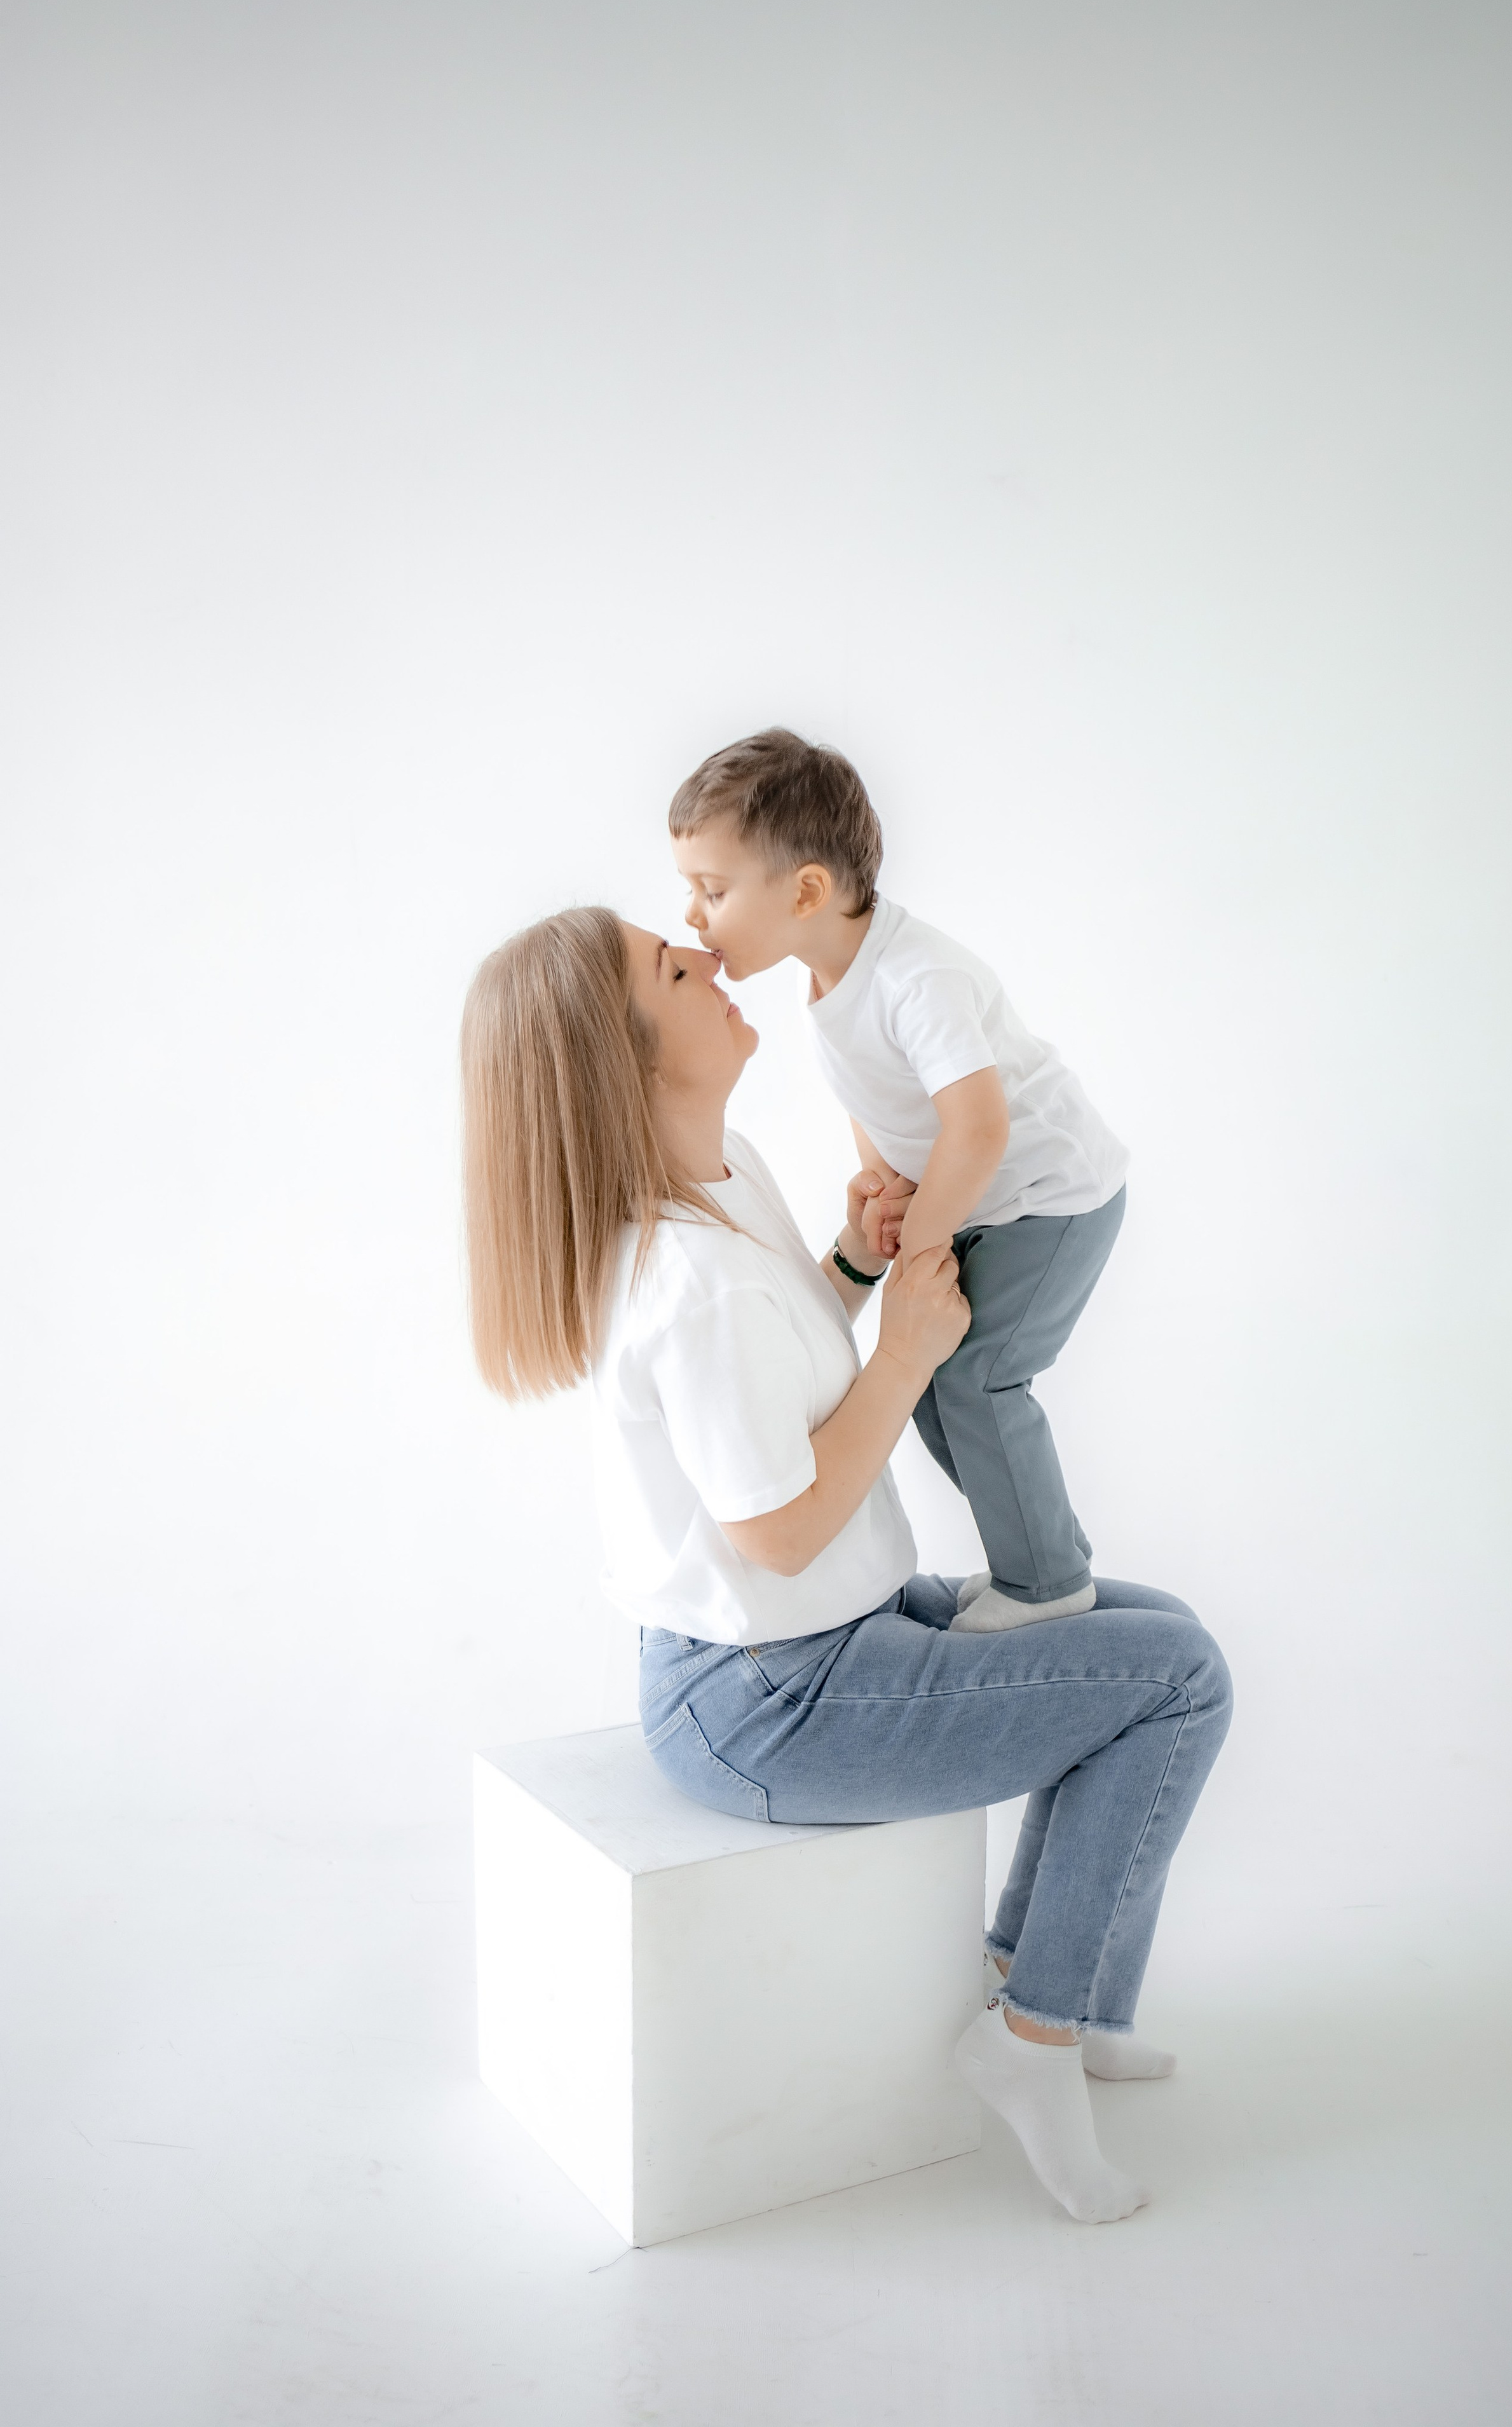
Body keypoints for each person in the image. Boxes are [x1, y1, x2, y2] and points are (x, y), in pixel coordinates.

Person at [461, 903, 1232, 2226]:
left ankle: (1047, 1981)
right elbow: (778, 1529)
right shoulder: (683, 1279)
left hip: (814, 1642)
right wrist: (907, 1355)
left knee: (1142, 1630)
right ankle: (1038, 2036)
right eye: (671, 967)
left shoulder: (723, 1174)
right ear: (626, 1056)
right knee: (1174, 1679)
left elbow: (777, 1378)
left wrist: (850, 1264)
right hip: (775, 1700)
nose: (708, 957)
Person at [669, 728, 1128, 1634]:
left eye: (711, 891)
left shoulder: (917, 979)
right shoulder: (830, 974)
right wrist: (883, 1178)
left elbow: (981, 1124)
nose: (693, 918)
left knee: (977, 1380)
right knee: (929, 1390)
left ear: (805, 890)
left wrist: (923, 1249)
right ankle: (1032, 1548)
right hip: (982, 1199)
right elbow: (870, 1086)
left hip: (1051, 1197)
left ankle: (1048, 1581)